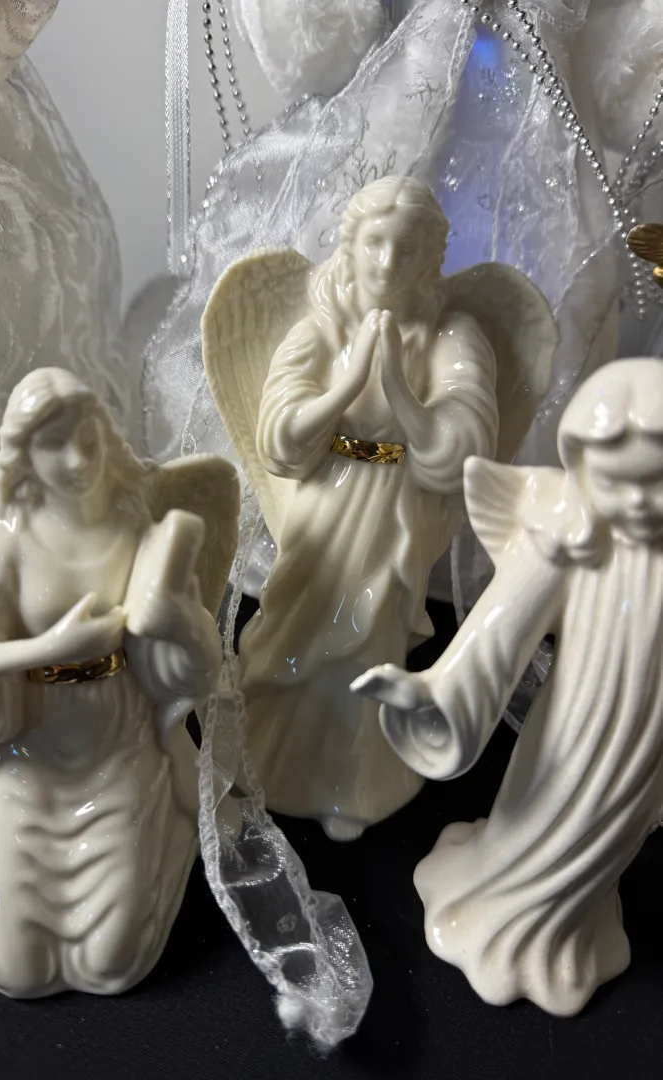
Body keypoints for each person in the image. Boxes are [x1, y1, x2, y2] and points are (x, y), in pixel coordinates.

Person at [0, 367, 239, 998]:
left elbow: (192, 659)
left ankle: (154, 847)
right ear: (24, 452)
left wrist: (176, 621)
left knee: (114, 964)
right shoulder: (2, 544)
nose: (79, 460)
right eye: (54, 445)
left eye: (88, 439)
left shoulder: (138, 529)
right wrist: (49, 649)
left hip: (121, 755)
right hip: (25, 760)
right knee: (15, 970)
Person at [354, 357, 663, 1015]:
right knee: (541, 809)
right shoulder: (570, 537)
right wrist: (436, 693)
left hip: (645, 756)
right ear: (586, 471)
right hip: (571, 731)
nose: (640, 505)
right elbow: (500, 632)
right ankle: (497, 902)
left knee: (606, 840)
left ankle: (572, 926)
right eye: (621, 484)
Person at [238, 177, 502, 839]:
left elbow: (467, 444)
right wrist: (349, 384)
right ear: (351, 245)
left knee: (366, 645)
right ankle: (265, 762)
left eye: (407, 248)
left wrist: (400, 392)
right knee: (294, 636)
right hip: (323, 511)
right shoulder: (320, 328)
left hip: (394, 517)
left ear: (431, 256)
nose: (388, 262)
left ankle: (349, 786)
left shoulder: (451, 333)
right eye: (375, 243)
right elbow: (278, 440)